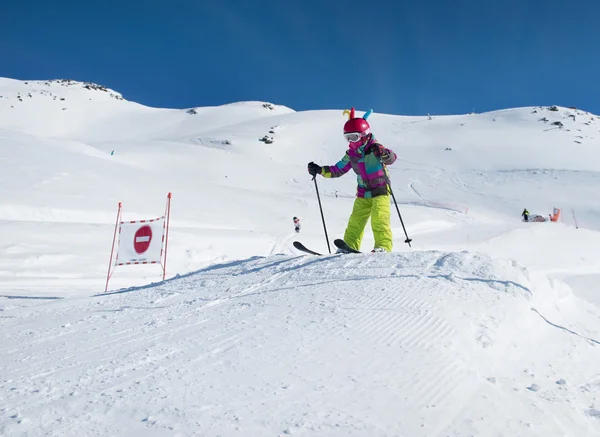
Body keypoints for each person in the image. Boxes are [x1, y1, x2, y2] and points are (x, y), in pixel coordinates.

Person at [307, 108, 396, 252]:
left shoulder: (375, 148)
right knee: (355, 222)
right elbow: (337, 170)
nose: (350, 141)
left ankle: (383, 247)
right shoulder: (351, 154)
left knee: (380, 219)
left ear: (364, 135)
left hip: (380, 191)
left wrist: (384, 154)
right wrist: (319, 170)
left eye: (353, 137)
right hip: (362, 193)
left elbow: (391, 158)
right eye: (347, 138)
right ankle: (349, 247)